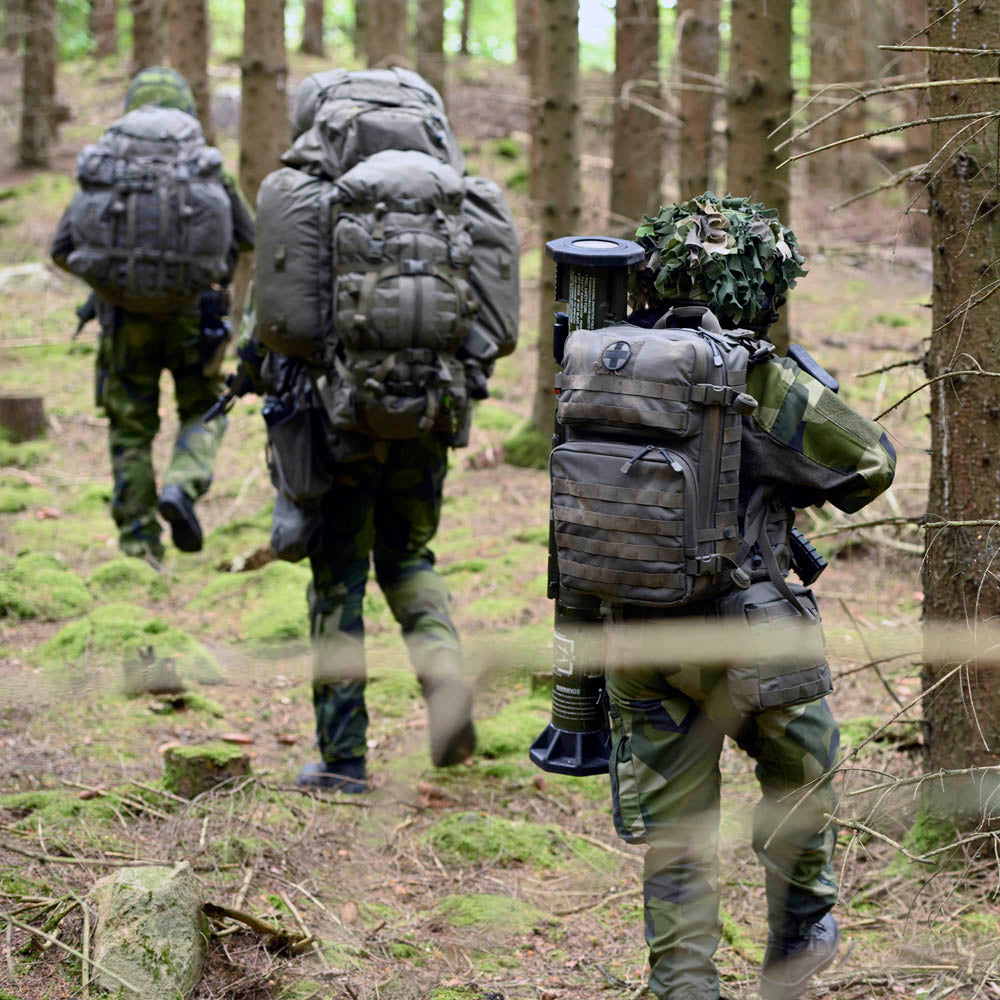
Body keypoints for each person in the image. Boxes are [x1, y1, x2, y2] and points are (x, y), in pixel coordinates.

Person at [563, 195, 896, 1000]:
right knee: (804, 778)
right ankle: (800, 925)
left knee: (676, 846)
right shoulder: (756, 374)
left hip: (639, 644)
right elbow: (870, 464)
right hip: (753, 639)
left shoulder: (595, 363)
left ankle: (682, 987)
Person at [238, 68, 519, 792]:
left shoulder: (307, 197)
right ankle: (448, 694)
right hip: (430, 414)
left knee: (339, 585)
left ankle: (343, 760)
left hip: (335, 424)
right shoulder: (453, 197)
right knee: (410, 560)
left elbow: (274, 324)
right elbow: (493, 329)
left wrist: (248, 374)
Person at [51, 67, 255, 561]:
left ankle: (140, 544)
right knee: (203, 408)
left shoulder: (108, 165)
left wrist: (109, 281)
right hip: (194, 318)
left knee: (129, 428)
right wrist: (215, 279)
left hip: (123, 322)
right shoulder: (204, 168)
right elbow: (247, 236)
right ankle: (182, 486)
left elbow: (61, 248)